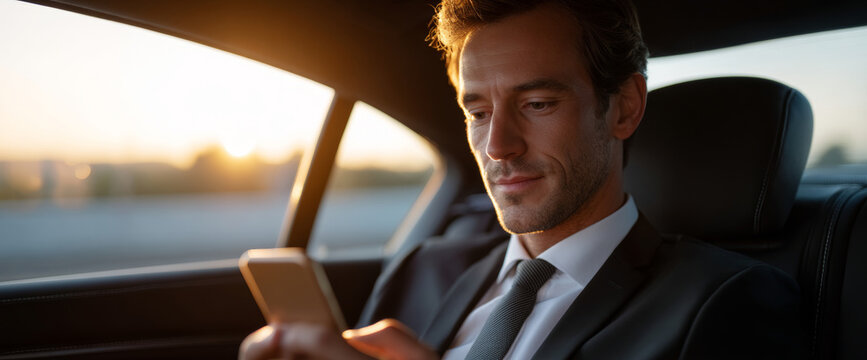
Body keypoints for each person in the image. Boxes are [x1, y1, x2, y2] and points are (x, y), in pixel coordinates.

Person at [241, 0, 803, 359]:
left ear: (624, 109)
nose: (498, 146)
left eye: (536, 103)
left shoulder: (724, 302)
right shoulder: (422, 271)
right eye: (478, 112)